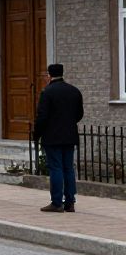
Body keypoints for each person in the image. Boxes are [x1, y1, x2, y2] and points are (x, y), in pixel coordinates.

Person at [34, 63, 84, 213]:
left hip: (52, 136)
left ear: (49, 75)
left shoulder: (47, 92)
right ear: (63, 73)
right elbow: (79, 114)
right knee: (68, 168)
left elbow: (42, 117)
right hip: (69, 135)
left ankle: (56, 202)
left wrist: (37, 134)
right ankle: (70, 201)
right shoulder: (74, 91)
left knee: (55, 168)